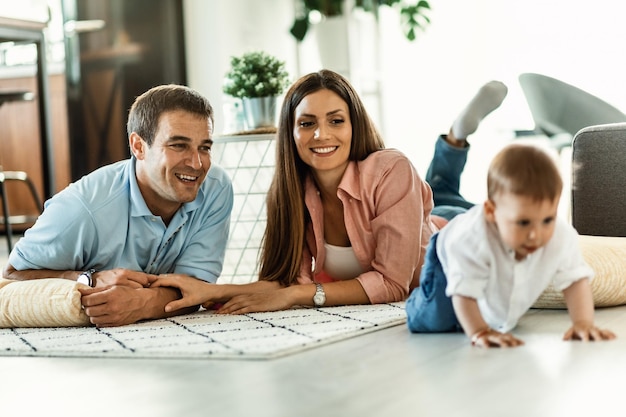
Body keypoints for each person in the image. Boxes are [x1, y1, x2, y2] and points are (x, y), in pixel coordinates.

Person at [151, 70, 508, 314]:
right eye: (307, 124)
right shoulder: (293, 193)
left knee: (459, 199)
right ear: (290, 133)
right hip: (421, 211)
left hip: (453, 232)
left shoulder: (390, 168)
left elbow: (394, 285)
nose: (321, 135)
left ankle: (456, 137)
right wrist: (214, 292)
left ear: (354, 126)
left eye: (336, 121)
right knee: (438, 188)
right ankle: (456, 137)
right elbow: (286, 282)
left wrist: (295, 296)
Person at [2, 84, 233, 327]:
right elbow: (13, 275)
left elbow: (198, 287)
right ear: (138, 146)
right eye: (178, 145)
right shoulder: (82, 208)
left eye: (204, 148)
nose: (197, 164)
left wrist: (141, 304)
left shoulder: (216, 188)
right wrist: (89, 279)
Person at [405, 143, 616, 347]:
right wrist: (479, 332)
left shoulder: (560, 235)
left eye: (547, 220)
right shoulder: (471, 239)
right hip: (448, 259)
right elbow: (464, 292)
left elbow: (575, 281)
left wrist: (583, 323)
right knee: (436, 319)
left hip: (494, 259)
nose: (536, 235)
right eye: (523, 223)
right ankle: (416, 299)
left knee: (498, 311)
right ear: (491, 212)